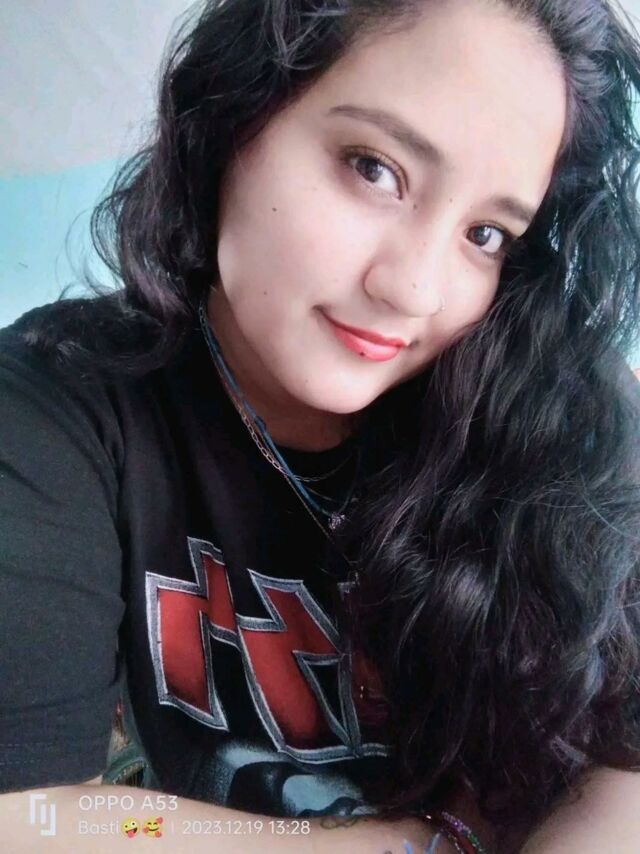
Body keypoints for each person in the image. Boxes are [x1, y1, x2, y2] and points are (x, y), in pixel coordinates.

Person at [2, 0, 640, 851]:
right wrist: (400, 846)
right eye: (374, 169)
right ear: (234, 115)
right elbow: (32, 814)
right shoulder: (60, 404)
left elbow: (627, 762)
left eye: (485, 233)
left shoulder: (568, 410)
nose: (414, 289)